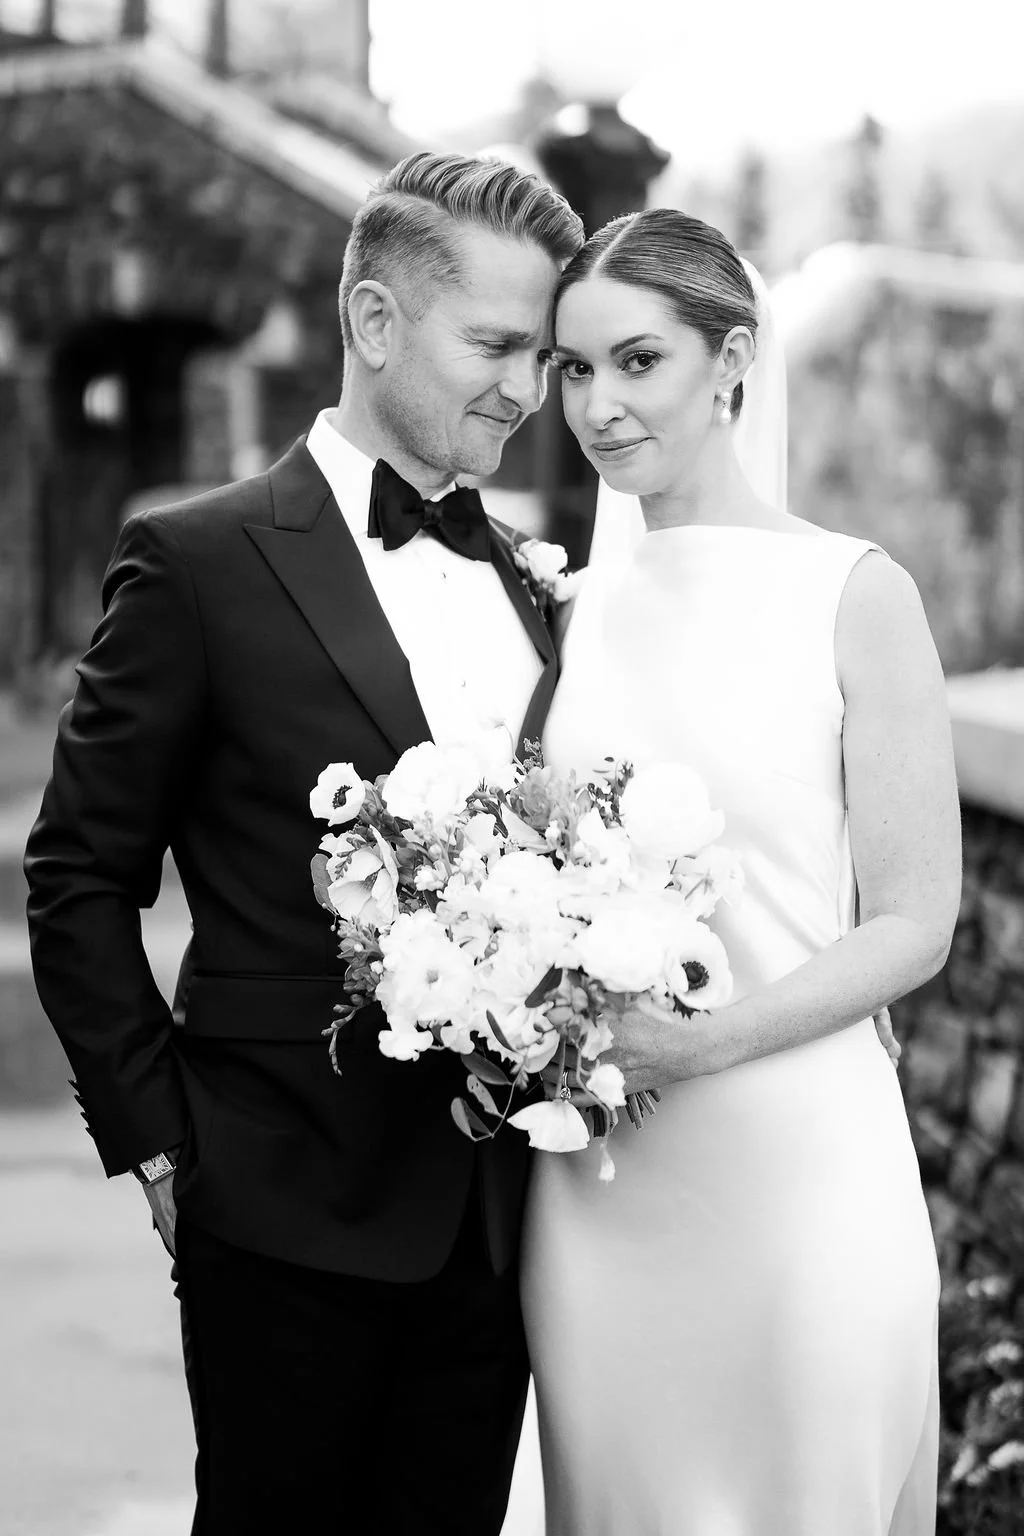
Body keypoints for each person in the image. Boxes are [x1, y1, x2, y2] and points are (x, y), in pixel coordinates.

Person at [24, 151, 582, 1536]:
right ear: (379, 322)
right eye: (498, 346)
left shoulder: (535, 578)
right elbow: (79, 879)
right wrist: (163, 1150)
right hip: (279, 1214)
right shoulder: (195, 562)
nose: (528, 389)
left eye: (543, 353)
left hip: (506, 1226)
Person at [521, 209, 961, 1534]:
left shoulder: (855, 595)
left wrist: (695, 1046)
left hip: (799, 1179)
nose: (598, 405)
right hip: (600, 1194)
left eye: (636, 361)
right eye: (574, 368)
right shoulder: (566, 607)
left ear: (731, 361)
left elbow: (916, 922)